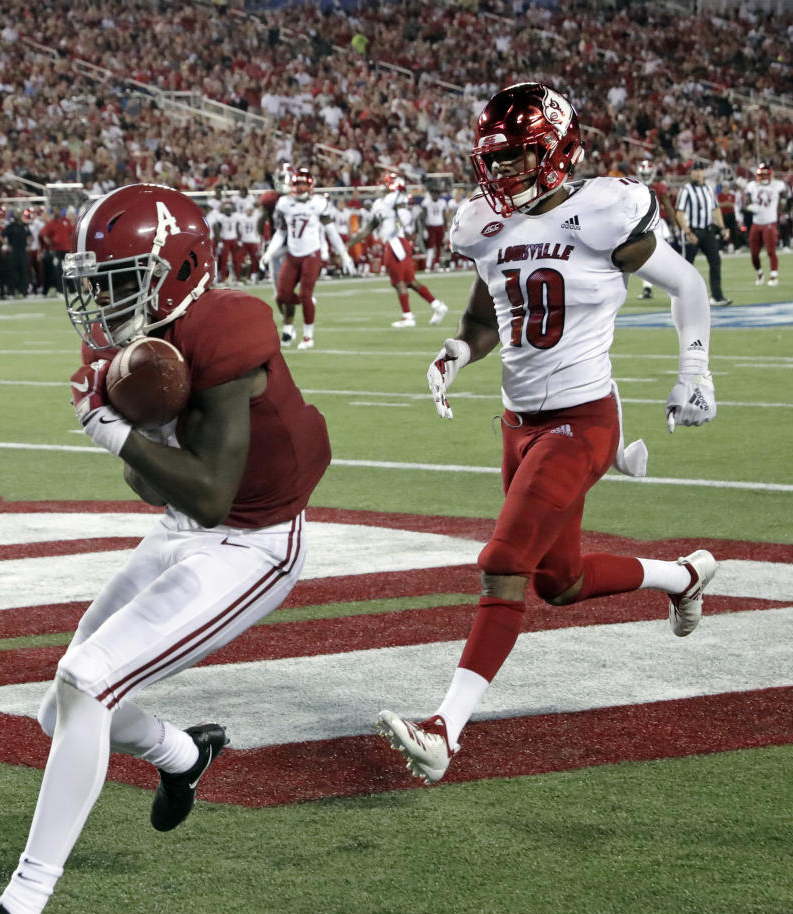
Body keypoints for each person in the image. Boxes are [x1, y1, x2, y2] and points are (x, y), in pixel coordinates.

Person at [0, 183, 332, 914]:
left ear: (176, 271)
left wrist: (110, 426)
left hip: (253, 540)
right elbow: (160, 491)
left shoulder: (229, 325)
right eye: (96, 280)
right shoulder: (133, 345)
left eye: (117, 279)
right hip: (188, 525)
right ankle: (183, 756)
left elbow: (214, 490)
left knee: (85, 679)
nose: (100, 300)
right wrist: (131, 422)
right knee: (61, 709)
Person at [375, 82, 718, 784]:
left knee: (503, 562)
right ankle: (684, 575)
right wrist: (456, 352)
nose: (502, 175)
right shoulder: (482, 225)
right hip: (517, 424)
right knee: (559, 581)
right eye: (494, 161)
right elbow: (485, 314)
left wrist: (696, 372)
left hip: (583, 420)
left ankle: (444, 729)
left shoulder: (604, 212)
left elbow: (686, 284)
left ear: (557, 150)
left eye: (517, 158)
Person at [259, 166, 355, 350]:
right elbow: (281, 231)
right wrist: (268, 253)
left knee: (305, 295)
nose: (301, 188)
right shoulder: (285, 203)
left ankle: (308, 337)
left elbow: (331, 231)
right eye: (298, 184)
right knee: (282, 295)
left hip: (311, 254)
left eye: (304, 184)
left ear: (310, 186)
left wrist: (344, 254)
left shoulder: (318, 203)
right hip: (293, 253)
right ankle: (306, 304)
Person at [347, 172, 449, 328]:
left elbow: (401, 207)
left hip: (395, 243)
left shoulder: (395, 199)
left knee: (399, 282)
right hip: (399, 242)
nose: (381, 187)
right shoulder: (383, 203)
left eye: (384, 184)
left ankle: (407, 316)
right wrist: (349, 244)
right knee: (410, 282)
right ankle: (437, 305)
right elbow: (369, 228)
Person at [675, 164, 732, 306]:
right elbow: (679, 213)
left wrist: (722, 227)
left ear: (703, 172)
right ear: (691, 173)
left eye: (700, 170)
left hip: (708, 231)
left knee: (715, 262)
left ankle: (717, 296)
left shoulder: (708, 189)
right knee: (687, 266)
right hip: (693, 231)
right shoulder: (686, 190)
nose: (698, 174)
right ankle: (682, 297)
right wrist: (687, 232)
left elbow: (716, 210)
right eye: (695, 171)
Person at [636, 159, 679, 298]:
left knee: (661, 259)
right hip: (642, 226)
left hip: (657, 226)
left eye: (649, 174)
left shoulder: (659, 187)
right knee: (644, 261)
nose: (647, 177)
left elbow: (668, 207)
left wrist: (675, 226)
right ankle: (648, 288)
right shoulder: (635, 187)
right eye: (645, 174)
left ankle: (674, 286)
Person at [744, 162, 789, 287]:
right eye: (761, 175)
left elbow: (785, 198)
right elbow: (746, 202)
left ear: (770, 175)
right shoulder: (752, 186)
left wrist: (781, 209)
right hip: (756, 223)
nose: (763, 177)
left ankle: (774, 276)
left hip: (770, 222)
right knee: (753, 254)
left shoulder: (777, 185)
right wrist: (749, 207)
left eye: (765, 175)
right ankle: (760, 273)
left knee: (771, 251)